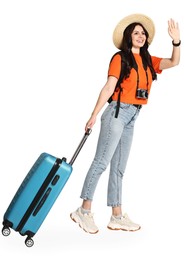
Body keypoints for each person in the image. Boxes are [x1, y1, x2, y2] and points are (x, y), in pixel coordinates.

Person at [70, 13, 180, 234]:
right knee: (101, 162)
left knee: (119, 168)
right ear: (128, 36)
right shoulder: (120, 58)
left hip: (133, 116)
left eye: (143, 33)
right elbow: (109, 87)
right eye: (136, 32)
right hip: (117, 113)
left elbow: (174, 61)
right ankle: (83, 210)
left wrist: (176, 41)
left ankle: (117, 216)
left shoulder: (149, 60)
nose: (140, 35)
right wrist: (93, 115)